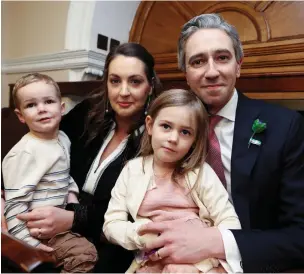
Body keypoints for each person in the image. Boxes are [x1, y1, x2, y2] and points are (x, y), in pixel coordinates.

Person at [138, 14, 304, 273]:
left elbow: (299, 236)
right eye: (198, 61)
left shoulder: (286, 127)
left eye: (222, 58)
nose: (211, 71)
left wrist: (218, 242)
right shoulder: (167, 129)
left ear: (238, 65)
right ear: (186, 72)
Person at [1, 43, 161, 273]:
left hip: (107, 241)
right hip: (45, 227)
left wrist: (73, 218)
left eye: (135, 81)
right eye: (115, 81)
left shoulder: (158, 137)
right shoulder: (87, 113)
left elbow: (135, 213)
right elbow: (34, 148)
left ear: (149, 86)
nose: (123, 91)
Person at [103, 89, 241, 273]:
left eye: (185, 132)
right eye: (166, 126)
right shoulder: (132, 170)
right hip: (150, 257)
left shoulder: (200, 173)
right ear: (150, 126)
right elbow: (111, 223)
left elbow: (230, 221)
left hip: (197, 259)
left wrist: (202, 252)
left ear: (194, 140)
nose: (173, 138)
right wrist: (142, 236)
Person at [2, 73, 98, 273]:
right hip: (34, 231)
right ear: (20, 116)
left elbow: (63, 173)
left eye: (48, 101)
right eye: (31, 105)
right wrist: (28, 244)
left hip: (59, 220)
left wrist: (72, 195)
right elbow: (14, 205)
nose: (42, 109)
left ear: (62, 108)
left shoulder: (63, 138)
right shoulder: (24, 153)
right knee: (85, 254)